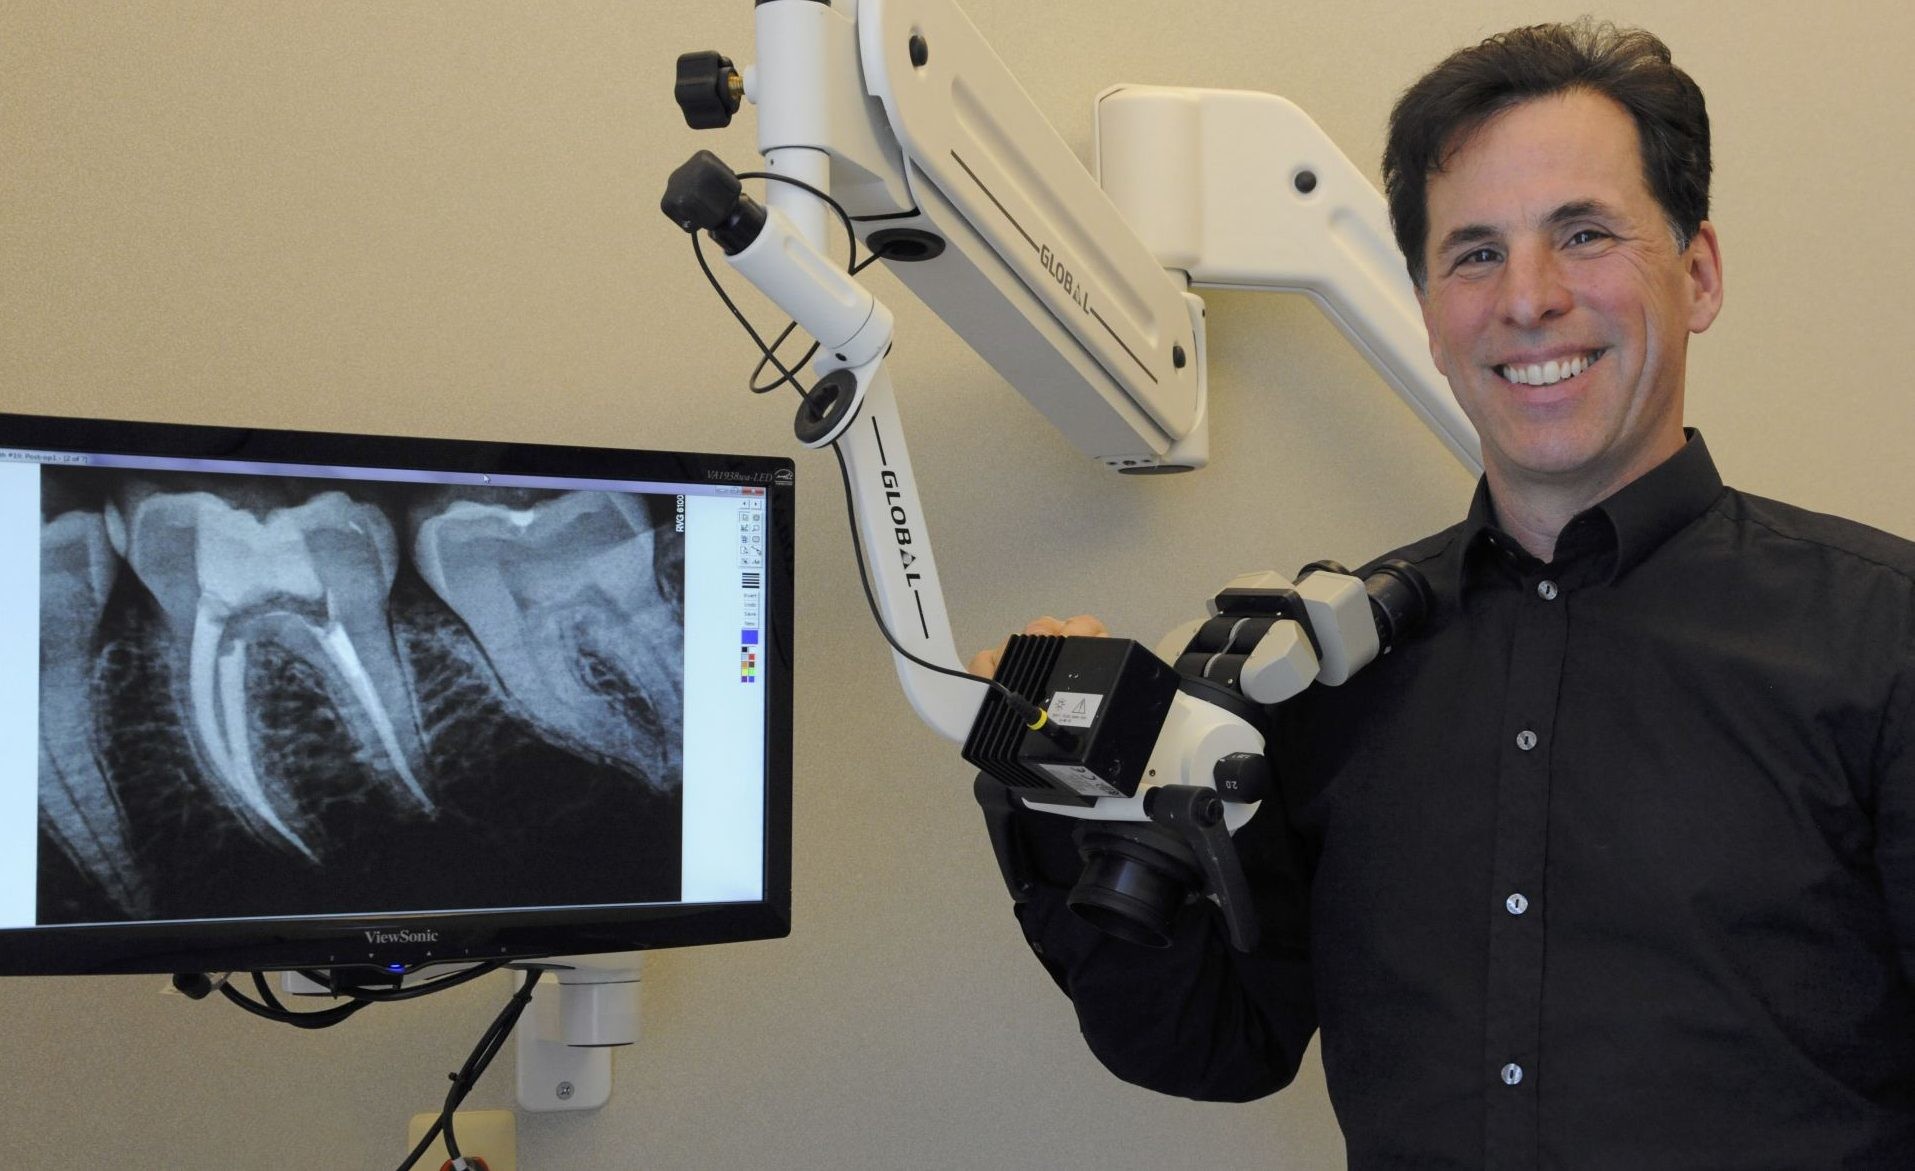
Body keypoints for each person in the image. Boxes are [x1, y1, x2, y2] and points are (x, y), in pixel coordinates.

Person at [974, 20, 1915, 1169]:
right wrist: (1067, 801)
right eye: (1474, 254)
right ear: (1427, 312)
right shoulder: (1327, 662)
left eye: (1582, 234)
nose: (1527, 298)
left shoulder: (1885, 639)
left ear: (1699, 273)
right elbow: (1211, 1042)